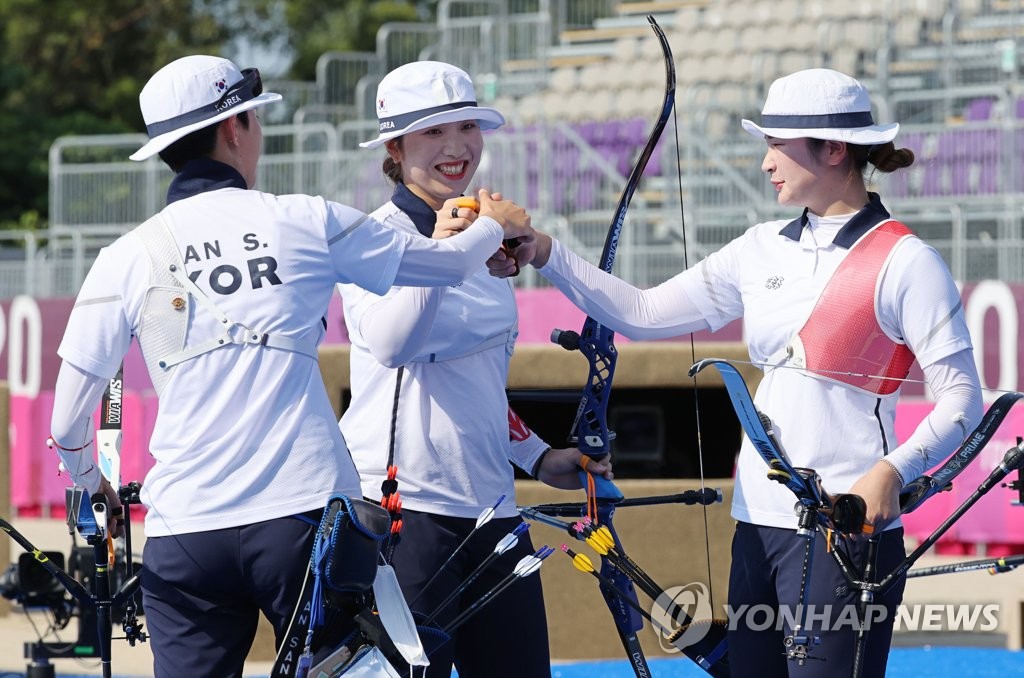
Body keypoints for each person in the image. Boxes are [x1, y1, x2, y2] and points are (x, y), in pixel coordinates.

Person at [47, 54, 534, 678]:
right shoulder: (304, 218)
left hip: (185, 534)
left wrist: (95, 488)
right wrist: (492, 228)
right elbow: (444, 265)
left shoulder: (126, 255)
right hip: (302, 526)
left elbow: (67, 424)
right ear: (235, 128)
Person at [489, 68, 983, 676]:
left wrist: (890, 472)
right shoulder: (760, 248)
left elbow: (963, 401)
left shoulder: (906, 261)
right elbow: (641, 312)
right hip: (756, 526)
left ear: (832, 150)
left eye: (778, 146)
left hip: (843, 532)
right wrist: (543, 250)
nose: (765, 162)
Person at [337, 60, 612, 678]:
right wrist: (455, 247)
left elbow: (481, 387)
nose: (456, 147)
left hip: (494, 511)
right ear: (395, 145)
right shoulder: (371, 237)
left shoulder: (488, 246)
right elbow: (391, 343)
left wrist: (540, 457)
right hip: (401, 513)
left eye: (467, 127)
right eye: (433, 132)